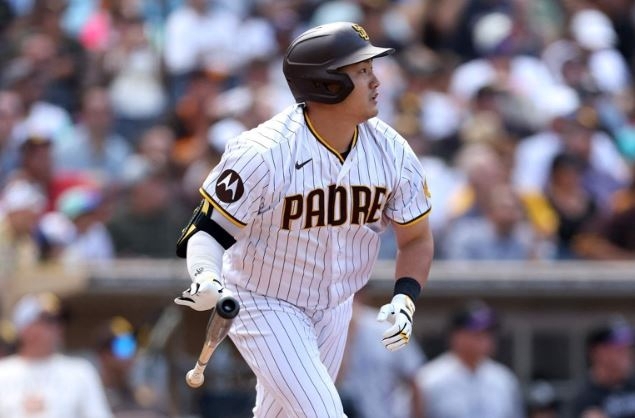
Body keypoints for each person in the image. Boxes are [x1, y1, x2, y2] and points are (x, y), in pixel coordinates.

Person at [173, 21, 434, 418]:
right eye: (361, 71)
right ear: (326, 84)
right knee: (324, 413)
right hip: (264, 299)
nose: (375, 80)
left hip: (335, 304)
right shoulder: (263, 151)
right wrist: (206, 275)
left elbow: (415, 237)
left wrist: (406, 298)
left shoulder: (391, 150)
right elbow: (207, 229)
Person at [0, 291, 112, 418]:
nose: (57, 327)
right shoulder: (3, 372)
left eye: (59, 320)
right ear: (25, 327)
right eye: (48, 320)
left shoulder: (80, 372)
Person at [414, 299, 525, 418]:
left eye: (489, 332)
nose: (485, 339)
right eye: (477, 333)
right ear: (456, 336)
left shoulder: (504, 379)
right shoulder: (428, 379)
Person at [571, 315, 635, 418]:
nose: (626, 353)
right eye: (618, 348)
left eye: (628, 347)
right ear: (597, 352)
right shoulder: (583, 399)